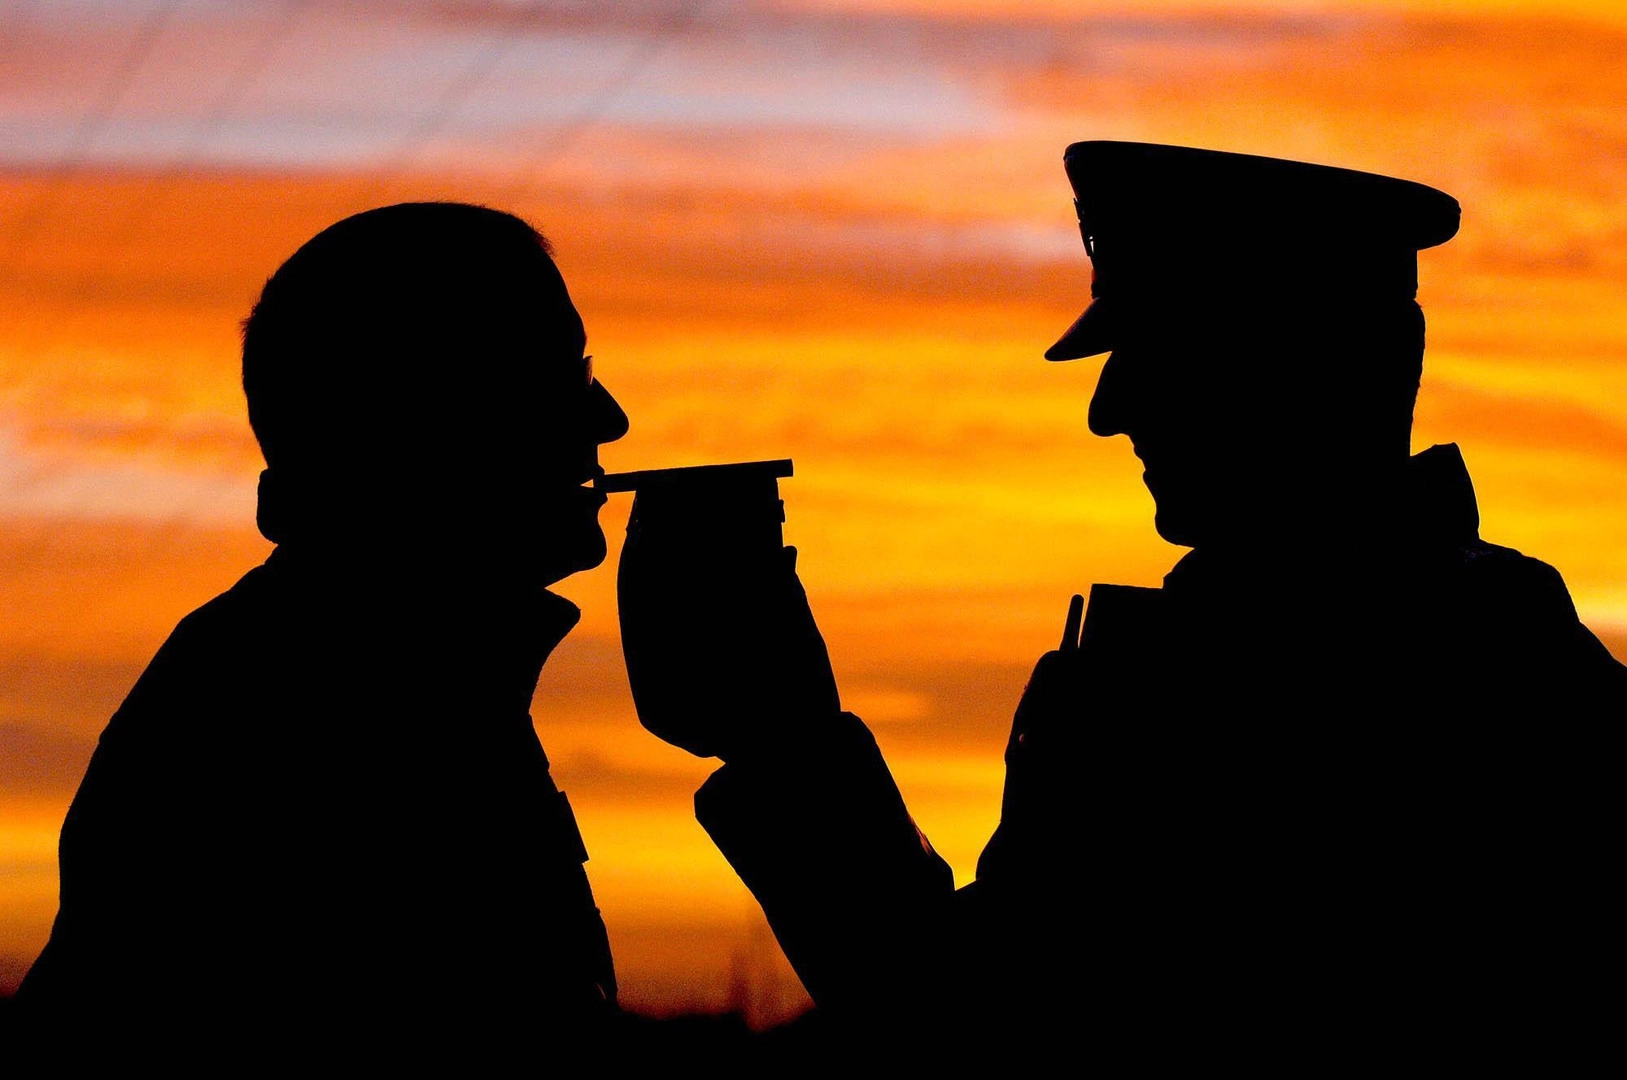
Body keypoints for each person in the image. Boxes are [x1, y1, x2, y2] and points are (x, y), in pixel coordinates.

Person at [620, 142, 1626, 1064]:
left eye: (1156, 355)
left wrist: (785, 748)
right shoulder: (1496, 651)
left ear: (1297, 363)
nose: (1109, 410)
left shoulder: (1327, 683)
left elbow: (982, 1039)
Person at [13, 203, 637, 1062]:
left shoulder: (396, 668)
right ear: (425, 416)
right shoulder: (300, 711)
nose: (608, 421)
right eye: (557, 376)